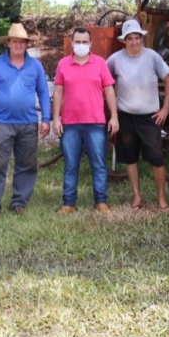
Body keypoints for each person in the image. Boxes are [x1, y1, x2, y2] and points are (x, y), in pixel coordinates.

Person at [106, 18, 169, 212]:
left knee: (156, 158)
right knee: (130, 158)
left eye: (137, 38)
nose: (134, 42)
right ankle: (137, 196)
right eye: (130, 38)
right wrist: (113, 107)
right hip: (126, 117)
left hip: (150, 117)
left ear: (142, 38)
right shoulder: (115, 60)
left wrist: (166, 108)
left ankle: (162, 199)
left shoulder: (152, 57)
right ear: (124, 40)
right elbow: (104, 81)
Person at [0, 23, 51, 220]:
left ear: (26, 44)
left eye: (22, 42)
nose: (18, 45)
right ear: (8, 43)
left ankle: (19, 202)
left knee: (27, 164)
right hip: (3, 123)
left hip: (29, 123)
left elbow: (43, 93)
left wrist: (46, 118)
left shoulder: (35, 66)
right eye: (15, 41)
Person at [53, 27, 119, 215]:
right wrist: (56, 118)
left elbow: (109, 91)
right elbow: (58, 91)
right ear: (72, 43)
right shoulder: (63, 64)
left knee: (98, 164)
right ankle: (68, 203)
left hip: (95, 123)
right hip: (70, 123)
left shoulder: (100, 64)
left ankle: (101, 201)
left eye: (84, 42)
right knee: (71, 165)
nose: (81, 45)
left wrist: (113, 116)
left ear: (90, 44)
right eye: (78, 42)